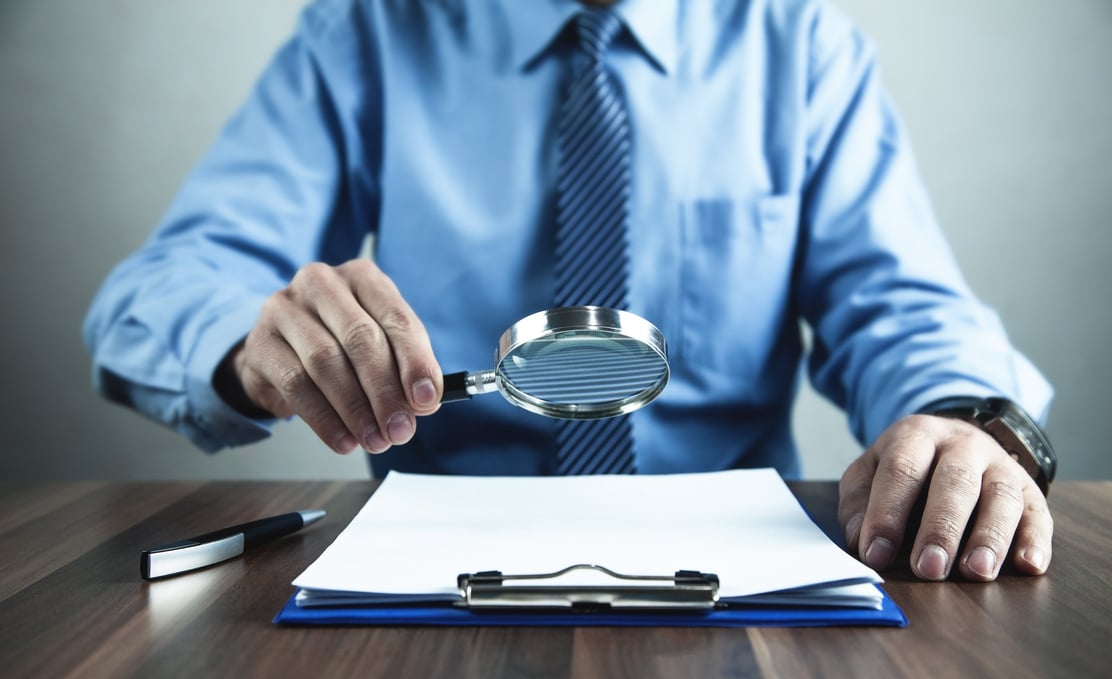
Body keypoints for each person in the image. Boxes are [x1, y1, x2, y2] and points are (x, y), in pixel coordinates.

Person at [83, 0, 1056, 583]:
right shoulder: (367, 34)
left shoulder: (799, 48)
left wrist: (960, 417)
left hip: (735, 580)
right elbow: (159, 290)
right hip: (427, 587)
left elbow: (902, 305)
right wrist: (250, 343)